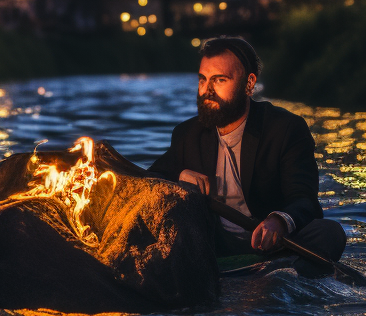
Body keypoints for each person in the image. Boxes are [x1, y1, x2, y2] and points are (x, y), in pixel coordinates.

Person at [148, 36, 346, 276]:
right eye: (203, 80)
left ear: (249, 83)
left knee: (329, 232)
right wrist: (179, 176)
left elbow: (305, 201)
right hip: (212, 245)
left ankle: (279, 275)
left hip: (273, 246)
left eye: (220, 80)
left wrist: (279, 221)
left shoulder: (285, 128)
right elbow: (150, 179)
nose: (207, 91)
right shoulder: (187, 134)